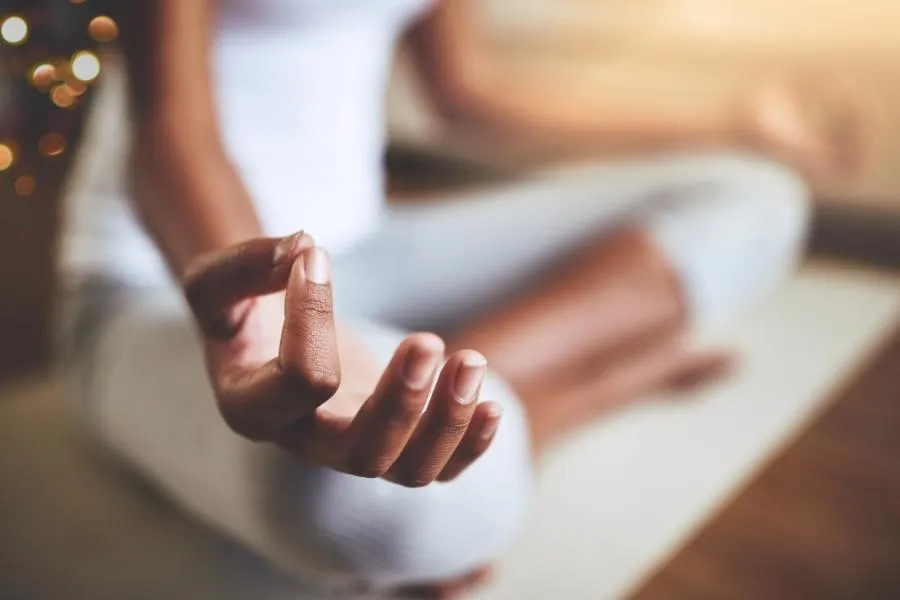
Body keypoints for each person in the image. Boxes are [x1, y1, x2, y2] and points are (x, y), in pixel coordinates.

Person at [59, 0, 824, 596]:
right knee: (364, 508)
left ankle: (480, 399)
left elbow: (468, 93)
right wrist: (262, 325)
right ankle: (578, 389)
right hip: (164, 281)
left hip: (371, 247)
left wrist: (727, 122)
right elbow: (173, 127)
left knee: (752, 199)